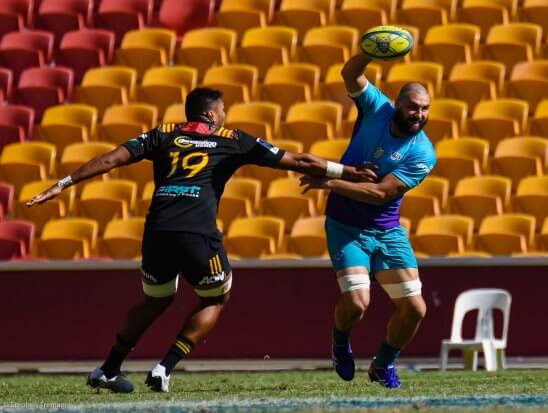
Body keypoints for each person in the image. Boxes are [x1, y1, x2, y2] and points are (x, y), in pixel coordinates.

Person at [26, 87, 377, 394]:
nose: (225, 115)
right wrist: (346, 171)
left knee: (155, 300)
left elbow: (109, 159)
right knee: (217, 294)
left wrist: (61, 185)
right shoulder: (232, 139)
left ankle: (108, 369)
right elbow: (297, 160)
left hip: (158, 232)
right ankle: (164, 367)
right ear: (211, 114)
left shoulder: (162, 134)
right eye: (223, 110)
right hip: (197, 233)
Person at [300, 53, 436, 389]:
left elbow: (379, 194)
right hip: (346, 227)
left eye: (424, 109)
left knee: (415, 309)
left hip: (387, 231)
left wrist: (330, 181)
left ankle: (383, 364)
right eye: (413, 107)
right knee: (358, 304)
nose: (418, 114)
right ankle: (339, 343)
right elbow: (349, 72)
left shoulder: (423, 153)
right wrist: (370, 52)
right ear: (398, 104)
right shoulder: (377, 108)